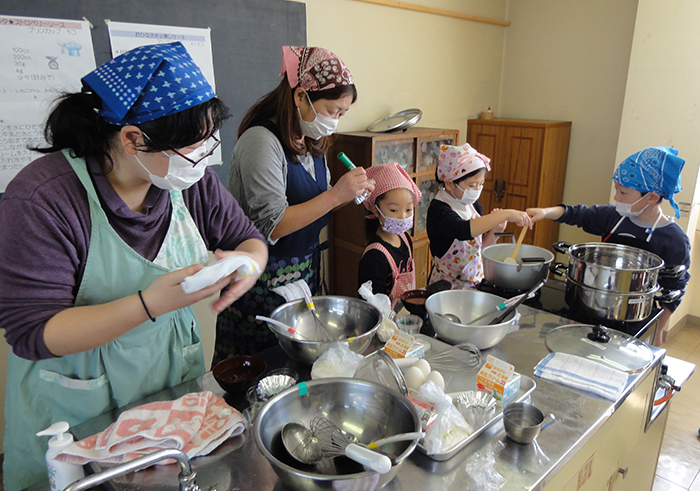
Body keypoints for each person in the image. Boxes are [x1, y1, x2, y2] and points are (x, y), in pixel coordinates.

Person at [0, 42, 268, 490]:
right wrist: (149, 304)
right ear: (132, 138)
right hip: (75, 405)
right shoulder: (44, 199)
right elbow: (34, 333)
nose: (203, 155)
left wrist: (249, 266)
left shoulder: (187, 181)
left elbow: (248, 240)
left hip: (165, 385)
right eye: (192, 144)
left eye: (208, 138)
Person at [214, 46, 372, 363]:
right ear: (301, 97)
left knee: (296, 373)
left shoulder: (312, 140)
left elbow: (319, 202)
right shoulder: (261, 141)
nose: (336, 122)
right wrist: (336, 195)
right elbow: (274, 223)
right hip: (260, 287)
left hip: (303, 278)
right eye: (333, 111)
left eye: (343, 114)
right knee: (258, 377)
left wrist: (351, 194)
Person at [527, 146, 691, 346]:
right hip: (593, 307)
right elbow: (576, 214)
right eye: (616, 189)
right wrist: (545, 212)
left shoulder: (674, 239)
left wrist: (657, 328)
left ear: (652, 197)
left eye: (624, 192)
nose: (616, 198)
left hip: (636, 318)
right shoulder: (613, 217)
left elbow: (675, 289)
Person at [426, 143, 533, 288]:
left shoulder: (473, 206)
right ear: (450, 184)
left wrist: (496, 231)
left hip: (474, 283)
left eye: (481, 184)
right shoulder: (439, 211)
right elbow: (463, 230)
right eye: (472, 185)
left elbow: (477, 251)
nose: (477, 190)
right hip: (445, 286)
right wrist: (505, 214)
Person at [357, 163, 422, 305]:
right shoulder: (375, 256)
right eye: (394, 210)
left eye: (409, 209)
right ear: (375, 209)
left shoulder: (405, 239)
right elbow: (370, 306)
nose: (403, 216)